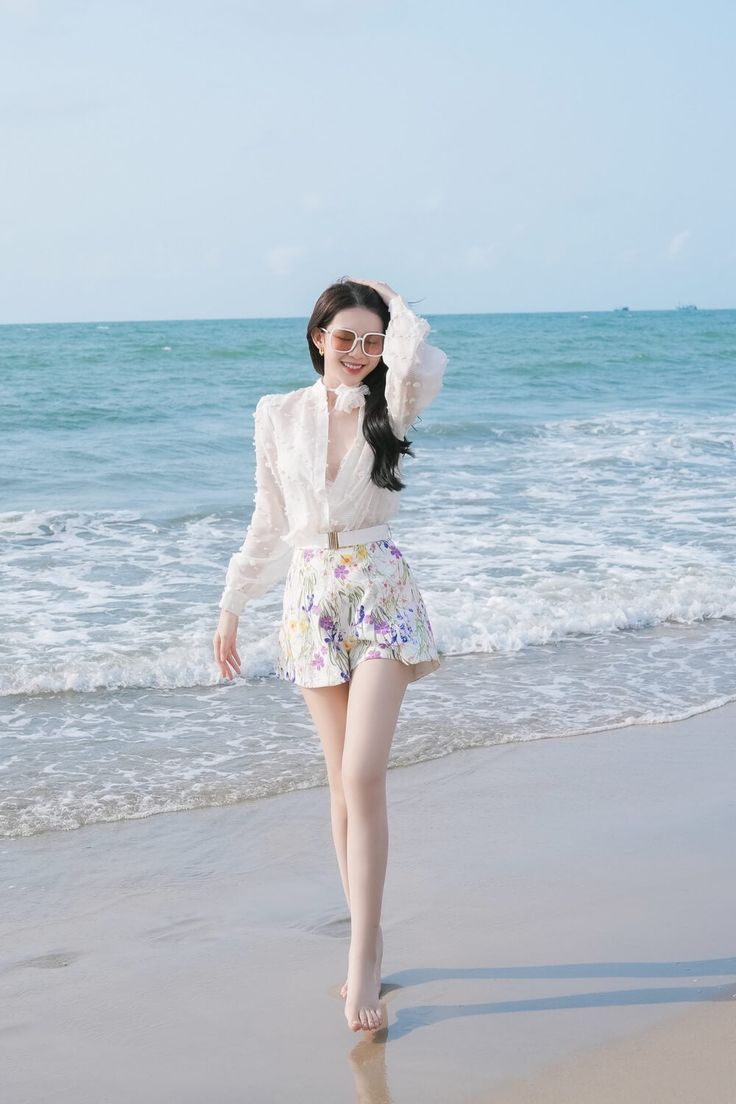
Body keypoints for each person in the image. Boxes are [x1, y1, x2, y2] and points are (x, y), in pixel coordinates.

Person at [212, 276, 448, 1033]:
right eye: (344, 337)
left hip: (379, 587)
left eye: (370, 340)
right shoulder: (276, 415)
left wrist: (392, 299)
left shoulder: (394, 400)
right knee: (339, 788)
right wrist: (232, 603)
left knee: (362, 771)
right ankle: (367, 933)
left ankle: (362, 963)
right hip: (311, 596)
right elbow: (268, 519)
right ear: (318, 336)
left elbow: (420, 358)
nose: (358, 352)